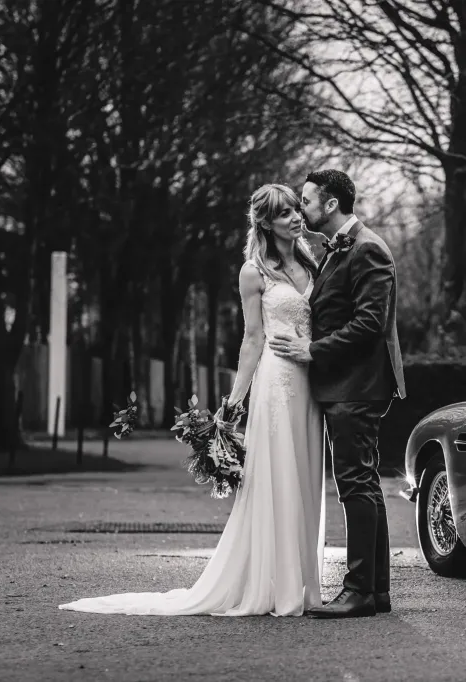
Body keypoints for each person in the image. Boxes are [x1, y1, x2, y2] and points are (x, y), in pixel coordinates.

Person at [59, 183, 326, 617]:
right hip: (277, 386)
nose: (296, 218)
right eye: (285, 214)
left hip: (312, 385)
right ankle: (273, 586)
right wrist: (233, 403)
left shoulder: (315, 262)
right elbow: (252, 339)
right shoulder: (253, 272)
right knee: (276, 480)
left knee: (304, 477)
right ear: (265, 222)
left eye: (297, 209)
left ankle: (301, 582)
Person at [268, 169, 405, 618]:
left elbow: (369, 324)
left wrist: (312, 350)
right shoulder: (334, 250)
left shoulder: (367, 249)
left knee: (355, 485)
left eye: (306, 201)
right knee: (362, 484)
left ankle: (359, 590)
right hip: (343, 387)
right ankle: (374, 590)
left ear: (329, 205)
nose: (301, 208)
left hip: (356, 387)